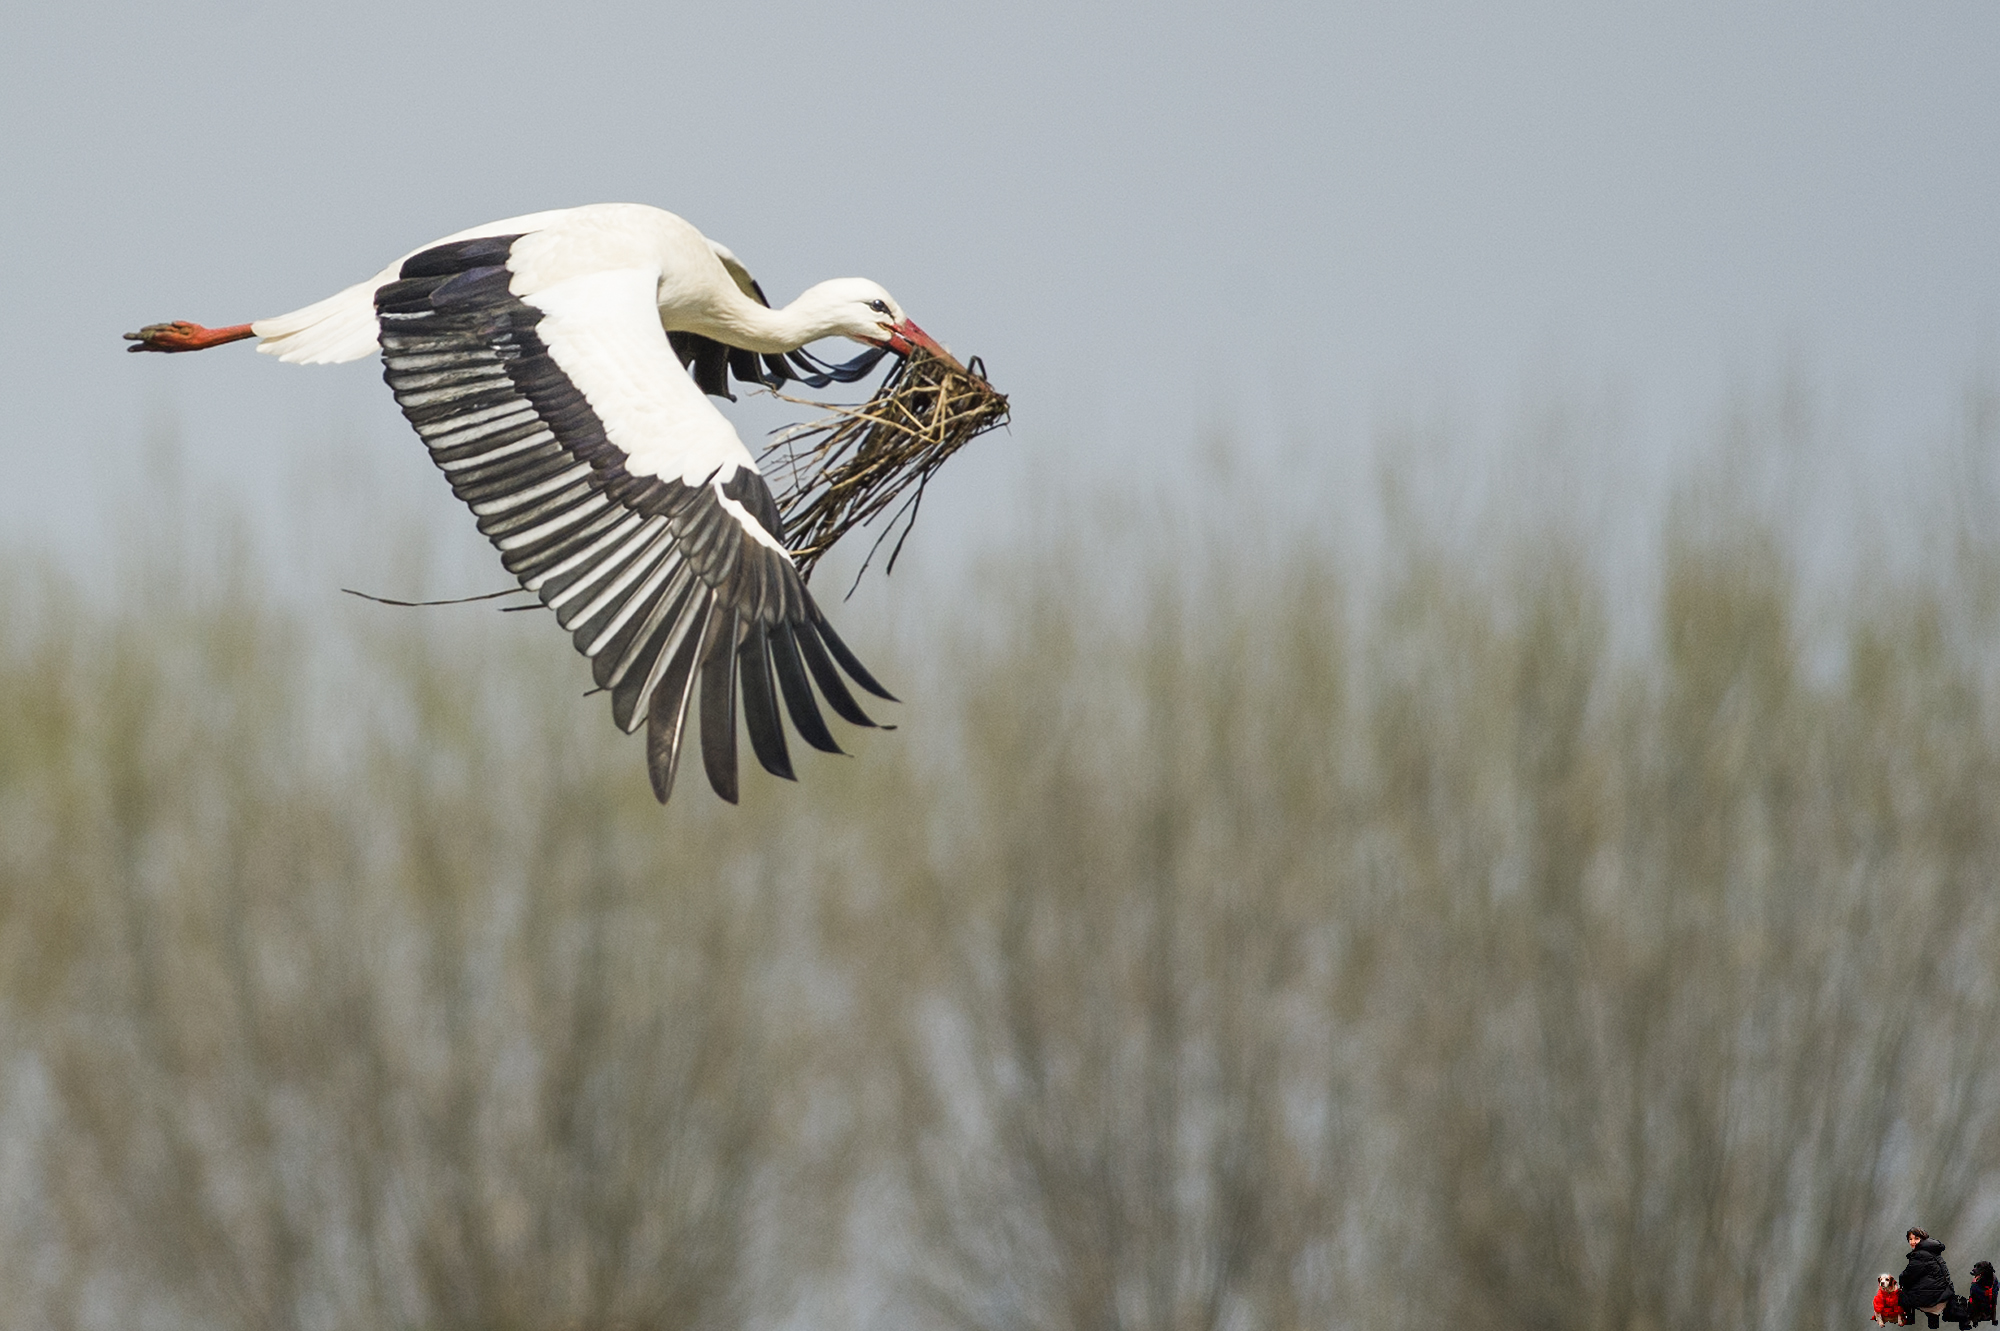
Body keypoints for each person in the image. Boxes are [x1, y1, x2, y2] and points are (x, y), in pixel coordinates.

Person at [1900, 1228, 1965, 1331]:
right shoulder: (1933, 1250)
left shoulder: (1920, 1255)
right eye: (1910, 1239)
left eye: (1916, 1238)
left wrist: (1902, 1282)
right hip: (1946, 1292)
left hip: (1936, 1298)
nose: (1912, 1242)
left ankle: (1909, 1323)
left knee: (1902, 1294)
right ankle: (1933, 1326)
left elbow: (1906, 1277)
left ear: (1923, 1238)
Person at [1967, 1262, 1997, 1327]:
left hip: (1987, 1302)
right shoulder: (1975, 1286)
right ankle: (1974, 1321)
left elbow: (1994, 1303)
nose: (1974, 1269)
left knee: (1993, 1303)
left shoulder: (1995, 1284)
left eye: (1979, 1267)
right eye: (1975, 1267)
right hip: (1977, 1305)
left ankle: (1993, 1319)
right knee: (1974, 1305)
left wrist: (1993, 1319)